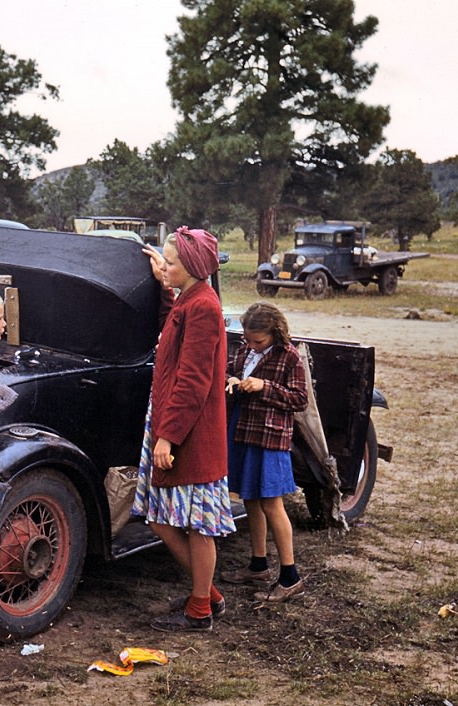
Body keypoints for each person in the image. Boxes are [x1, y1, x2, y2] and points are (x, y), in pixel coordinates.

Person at [133, 227, 236, 633]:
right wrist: (165, 282)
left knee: (197, 524)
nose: (165, 267)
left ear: (192, 267)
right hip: (174, 423)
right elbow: (174, 323)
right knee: (161, 516)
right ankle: (207, 594)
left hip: (189, 432)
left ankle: (199, 612)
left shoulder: (205, 308)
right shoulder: (193, 299)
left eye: (172, 262)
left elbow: (194, 380)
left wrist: (168, 436)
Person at [221, 301, 309, 603]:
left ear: (275, 332)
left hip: (270, 440)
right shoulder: (245, 350)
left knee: (272, 503)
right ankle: (258, 565)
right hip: (243, 432)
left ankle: (290, 576)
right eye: (248, 339)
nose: (251, 345)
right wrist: (231, 380)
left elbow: (300, 399)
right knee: (251, 499)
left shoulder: (290, 357)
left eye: (258, 340)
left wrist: (264, 387)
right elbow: (229, 372)